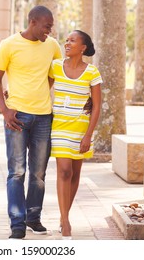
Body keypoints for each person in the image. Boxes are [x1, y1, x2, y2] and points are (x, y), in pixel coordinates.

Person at [0, 5, 62, 239]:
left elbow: (57, 75)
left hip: (43, 116)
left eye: (50, 27)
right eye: (46, 26)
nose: (49, 32)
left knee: (38, 173)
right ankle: (17, 223)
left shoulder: (52, 46)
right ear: (33, 22)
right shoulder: (8, 45)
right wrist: (5, 110)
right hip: (17, 117)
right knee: (17, 172)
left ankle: (33, 217)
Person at [49, 30, 102, 240]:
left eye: (72, 40)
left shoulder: (92, 72)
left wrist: (88, 135)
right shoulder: (55, 67)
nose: (67, 43)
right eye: (67, 40)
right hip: (59, 126)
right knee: (64, 171)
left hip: (80, 129)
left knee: (75, 172)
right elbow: (42, 88)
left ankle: (65, 215)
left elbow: (97, 106)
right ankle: (65, 221)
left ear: (83, 48)